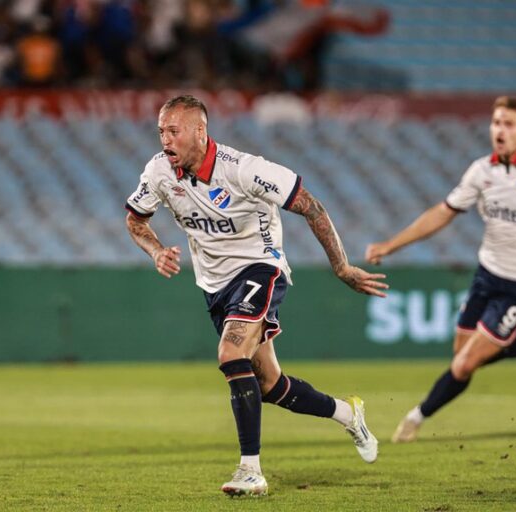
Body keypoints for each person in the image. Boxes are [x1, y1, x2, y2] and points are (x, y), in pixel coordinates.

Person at [125, 95, 388, 497]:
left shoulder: (245, 170)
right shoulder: (159, 172)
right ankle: (347, 413)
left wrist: (342, 267)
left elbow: (312, 207)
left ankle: (251, 471)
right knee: (269, 385)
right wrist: (156, 250)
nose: (165, 139)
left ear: (200, 131)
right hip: (214, 285)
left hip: (260, 267)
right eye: (161, 130)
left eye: (173, 131)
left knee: (230, 354)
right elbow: (135, 220)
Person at [365, 96, 516, 443]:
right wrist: (391, 245)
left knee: (464, 364)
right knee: (463, 354)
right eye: (496, 122)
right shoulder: (481, 172)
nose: (500, 130)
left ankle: (415, 418)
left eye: (509, 124)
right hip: (485, 277)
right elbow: (443, 212)